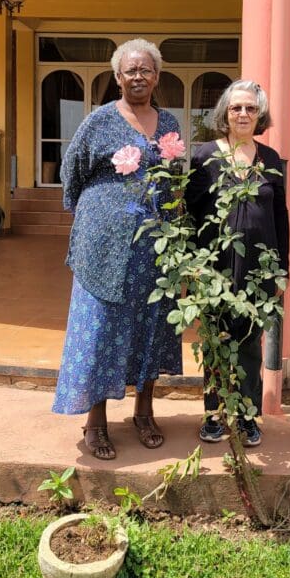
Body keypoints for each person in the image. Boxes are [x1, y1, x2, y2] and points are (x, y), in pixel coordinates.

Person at [53, 38, 183, 461]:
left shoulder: (169, 124)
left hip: (154, 245)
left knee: (151, 324)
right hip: (103, 246)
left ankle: (144, 414)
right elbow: (71, 170)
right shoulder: (99, 120)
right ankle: (96, 422)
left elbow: (175, 178)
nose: (139, 77)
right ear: (117, 77)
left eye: (146, 70)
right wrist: (96, 214)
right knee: (102, 329)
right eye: (131, 70)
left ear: (157, 77)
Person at [185, 80, 290, 448]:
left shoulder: (271, 159)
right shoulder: (205, 156)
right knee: (215, 341)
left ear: (259, 115)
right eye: (236, 108)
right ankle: (213, 413)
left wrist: (283, 269)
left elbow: (281, 217)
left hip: (259, 270)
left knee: (249, 344)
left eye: (250, 108)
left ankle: (246, 417)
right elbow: (188, 212)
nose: (243, 114)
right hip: (213, 270)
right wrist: (190, 265)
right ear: (224, 115)